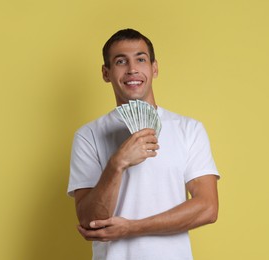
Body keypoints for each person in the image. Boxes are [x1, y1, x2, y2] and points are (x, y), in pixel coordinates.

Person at [67, 28, 220, 260]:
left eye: (140, 59)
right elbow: (90, 221)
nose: (132, 69)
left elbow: (207, 208)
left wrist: (132, 228)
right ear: (106, 73)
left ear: (154, 68)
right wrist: (117, 164)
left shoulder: (188, 129)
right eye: (121, 61)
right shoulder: (88, 135)